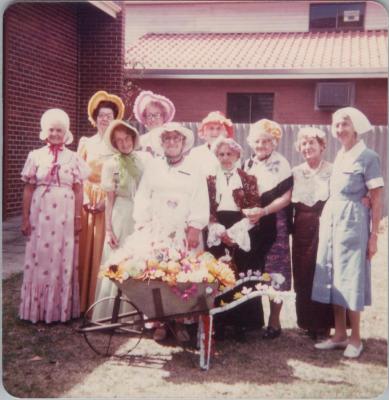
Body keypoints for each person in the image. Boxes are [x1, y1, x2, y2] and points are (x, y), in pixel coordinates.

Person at [105, 122, 210, 341]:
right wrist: (143, 222)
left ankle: (180, 322)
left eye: (176, 138)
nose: (172, 142)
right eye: (167, 139)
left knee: (182, 273)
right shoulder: (154, 166)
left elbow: (200, 198)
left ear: (183, 143)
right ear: (161, 143)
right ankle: (160, 322)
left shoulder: (194, 167)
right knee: (159, 273)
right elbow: (143, 195)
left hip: (184, 229)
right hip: (158, 228)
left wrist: (195, 227)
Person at [312, 107, 383, 358]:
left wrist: (374, 235)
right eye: (337, 125)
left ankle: (355, 338)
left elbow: (376, 197)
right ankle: (339, 334)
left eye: (344, 124)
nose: (340, 130)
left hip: (354, 221)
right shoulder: (340, 155)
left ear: (356, 127)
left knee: (351, 277)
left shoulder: (368, 156)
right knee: (332, 274)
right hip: (332, 219)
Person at [19, 108, 90, 323]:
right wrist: (24, 218)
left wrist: (78, 217)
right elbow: (28, 189)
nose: (55, 134)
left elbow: (79, 189)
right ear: (44, 131)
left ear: (66, 132)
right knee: (39, 257)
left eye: (60, 130)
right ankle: (37, 309)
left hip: (65, 216)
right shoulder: (35, 155)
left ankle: (60, 310)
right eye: (51, 129)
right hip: (40, 214)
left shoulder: (74, 157)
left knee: (63, 257)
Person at [206, 137, 264, 341]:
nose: (225, 158)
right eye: (221, 154)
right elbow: (207, 207)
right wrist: (219, 230)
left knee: (241, 274)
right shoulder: (209, 180)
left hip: (241, 228)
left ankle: (242, 324)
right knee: (218, 274)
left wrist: (235, 233)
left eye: (229, 154)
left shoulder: (248, 179)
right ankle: (219, 323)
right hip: (217, 227)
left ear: (237, 155)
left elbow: (254, 206)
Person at [244, 119, 293, 339]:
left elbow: (286, 197)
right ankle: (251, 319)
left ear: (274, 143)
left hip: (275, 222)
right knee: (253, 269)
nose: (261, 145)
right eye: (257, 141)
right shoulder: (247, 164)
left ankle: (275, 321)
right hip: (253, 224)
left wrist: (264, 211)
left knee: (276, 271)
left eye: (266, 141)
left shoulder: (281, 163)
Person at [92, 120, 146, 318]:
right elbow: (109, 199)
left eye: (127, 138)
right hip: (121, 214)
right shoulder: (111, 164)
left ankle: (136, 313)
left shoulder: (144, 160)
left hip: (141, 214)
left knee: (138, 259)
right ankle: (110, 313)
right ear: (114, 144)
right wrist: (108, 229)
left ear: (133, 137)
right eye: (119, 141)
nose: (124, 144)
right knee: (118, 259)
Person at [77, 90, 125, 312]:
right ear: (94, 118)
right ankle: (82, 301)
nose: (104, 119)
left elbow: (121, 178)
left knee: (103, 249)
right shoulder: (86, 143)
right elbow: (78, 173)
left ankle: (99, 304)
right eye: (101, 115)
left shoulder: (118, 145)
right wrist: (86, 197)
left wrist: (106, 202)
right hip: (87, 201)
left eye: (109, 115)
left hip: (109, 201)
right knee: (85, 249)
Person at [291, 127, 334, 339]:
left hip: (325, 224)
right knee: (303, 273)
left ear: (322, 146)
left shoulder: (333, 170)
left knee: (323, 271)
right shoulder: (296, 172)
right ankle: (307, 322)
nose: (307, 148)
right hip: (301, 227)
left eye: (312, 143)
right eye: (304, 144)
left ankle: (324, 324)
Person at [188, 111, 234, 177]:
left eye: (219, 128)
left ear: (225, 132)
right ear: (204, 132)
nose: (215, 132)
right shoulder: (195, 153)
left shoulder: (233, 153)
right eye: (211, 128)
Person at [132, 90, 175, 154]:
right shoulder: (140, 140)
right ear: (145, 119)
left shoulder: (171, 139)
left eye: (157, 115)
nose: (153, 119)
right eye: (149, 115)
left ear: (163, 117)